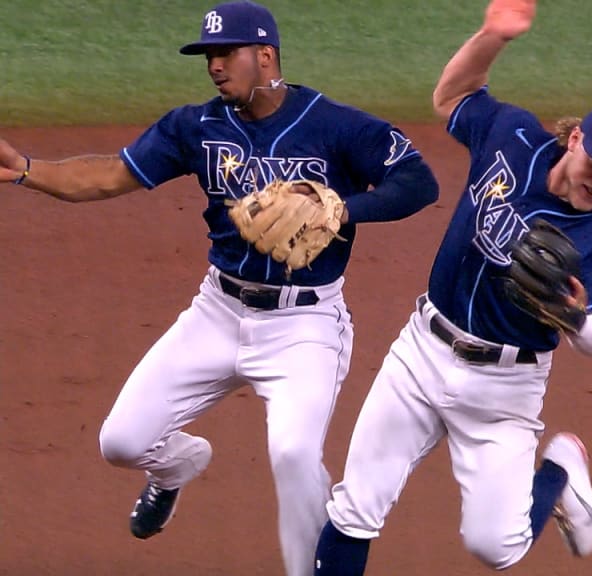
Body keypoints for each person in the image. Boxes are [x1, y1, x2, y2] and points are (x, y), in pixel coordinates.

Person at [0, 2, 438, 575]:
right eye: (208, 56)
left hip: (303, 325)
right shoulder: (196, 127)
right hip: (218, 310)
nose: (213, 66)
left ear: (265, 55)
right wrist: (28, 169)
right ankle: (176, 467)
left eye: (225, 53)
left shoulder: (334, 125)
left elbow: (419, 181)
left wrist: (339, 212)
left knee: (294, 454)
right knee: (121, 443)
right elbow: (108, 174)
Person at [311, 0, 592, 573]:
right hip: (421, 352)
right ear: (574, 140)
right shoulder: (511, 135)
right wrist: (492, 36)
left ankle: (562, 468)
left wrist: (572, 316)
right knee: (355, 507)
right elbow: (451, 97)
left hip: (504, 391)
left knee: (496, 548)